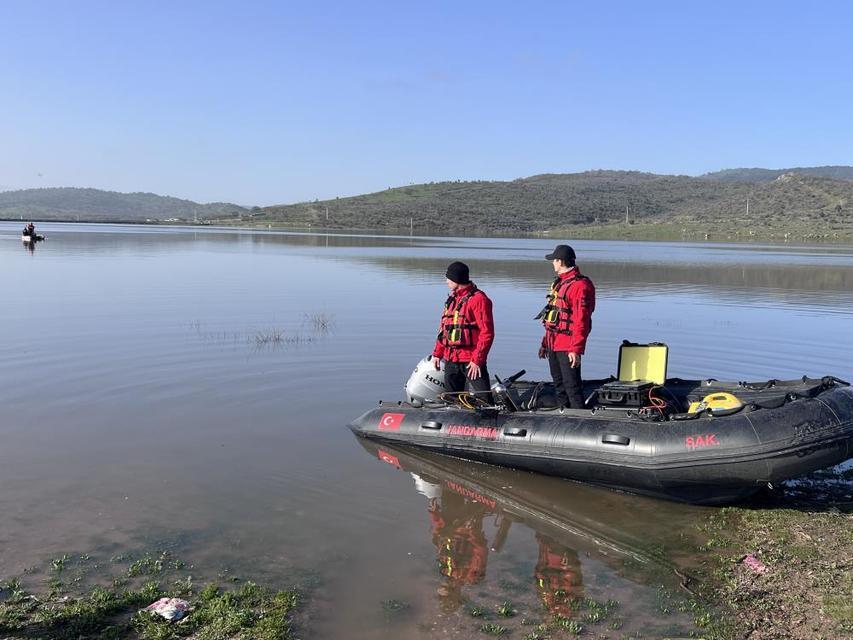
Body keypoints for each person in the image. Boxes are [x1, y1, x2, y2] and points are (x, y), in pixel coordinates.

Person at [537, 244, 596, 409]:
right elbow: (552, 317)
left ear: (561, 261)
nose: (552, 263)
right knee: (559, 386)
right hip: (553, 344)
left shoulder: (580, 285)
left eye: (554, 260)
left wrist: (576, 349)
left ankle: (579, 417)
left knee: (572, 386)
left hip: (568, 345)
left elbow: (581, 321)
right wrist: (544, 344)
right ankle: (563, 416)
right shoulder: (560, 283)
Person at [432, 261, 495, 399]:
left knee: (485, 401)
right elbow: (444, 329)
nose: (446, 281)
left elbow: (487, 333)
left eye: (449, 278)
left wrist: (477, 360)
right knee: (452, 402)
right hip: (451, 360)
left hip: (471, 361)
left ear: (457, 279)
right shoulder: (452, 299)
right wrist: (437, 354)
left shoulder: (479, 300)